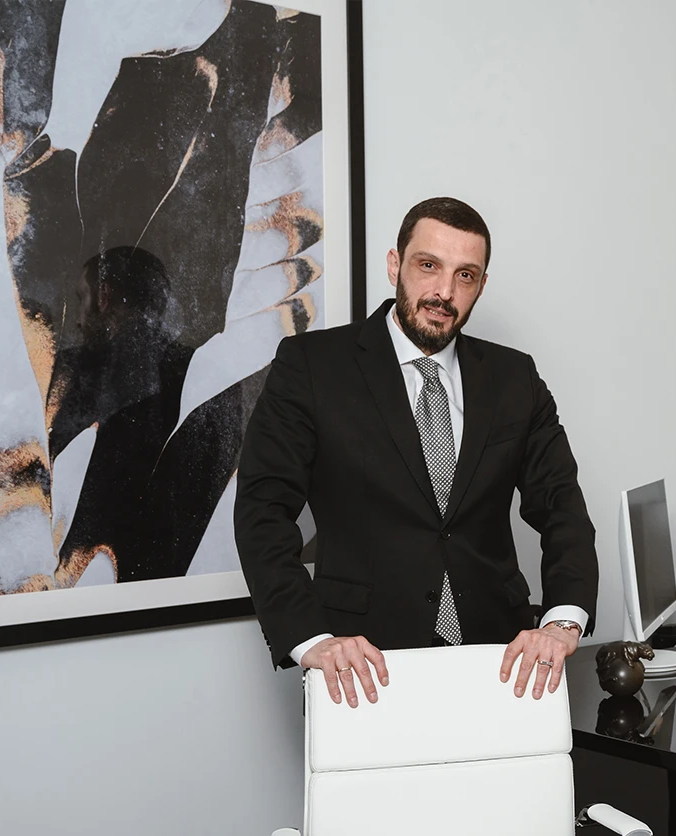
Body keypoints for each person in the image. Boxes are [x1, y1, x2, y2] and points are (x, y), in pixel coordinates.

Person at [235, 197, 597, 707]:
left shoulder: (515, 378)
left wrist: (562, 621)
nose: (444, 292)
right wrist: (310, 637)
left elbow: (562, 508)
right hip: (362, 667)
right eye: (428, 266)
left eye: (465, 275)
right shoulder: (312, 367)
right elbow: (262, 511)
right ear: (394, 265)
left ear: (481, 285)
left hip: (503, 662)